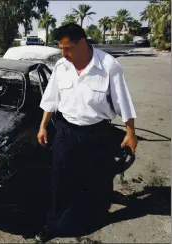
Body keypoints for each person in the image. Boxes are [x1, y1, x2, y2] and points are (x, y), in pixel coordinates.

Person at [35, 23, 138, 242]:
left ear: (82, 43)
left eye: (68, 48)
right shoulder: (61, 67)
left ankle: (94, 218)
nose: (63, 54)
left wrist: (131, 132)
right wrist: (43, 126)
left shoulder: (109, 66)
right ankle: (55, 226)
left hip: (97, 133)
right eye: (61, 48)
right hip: (66, 131)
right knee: (60, 180)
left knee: (97, 180)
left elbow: (123, 103)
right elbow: (51, 100)